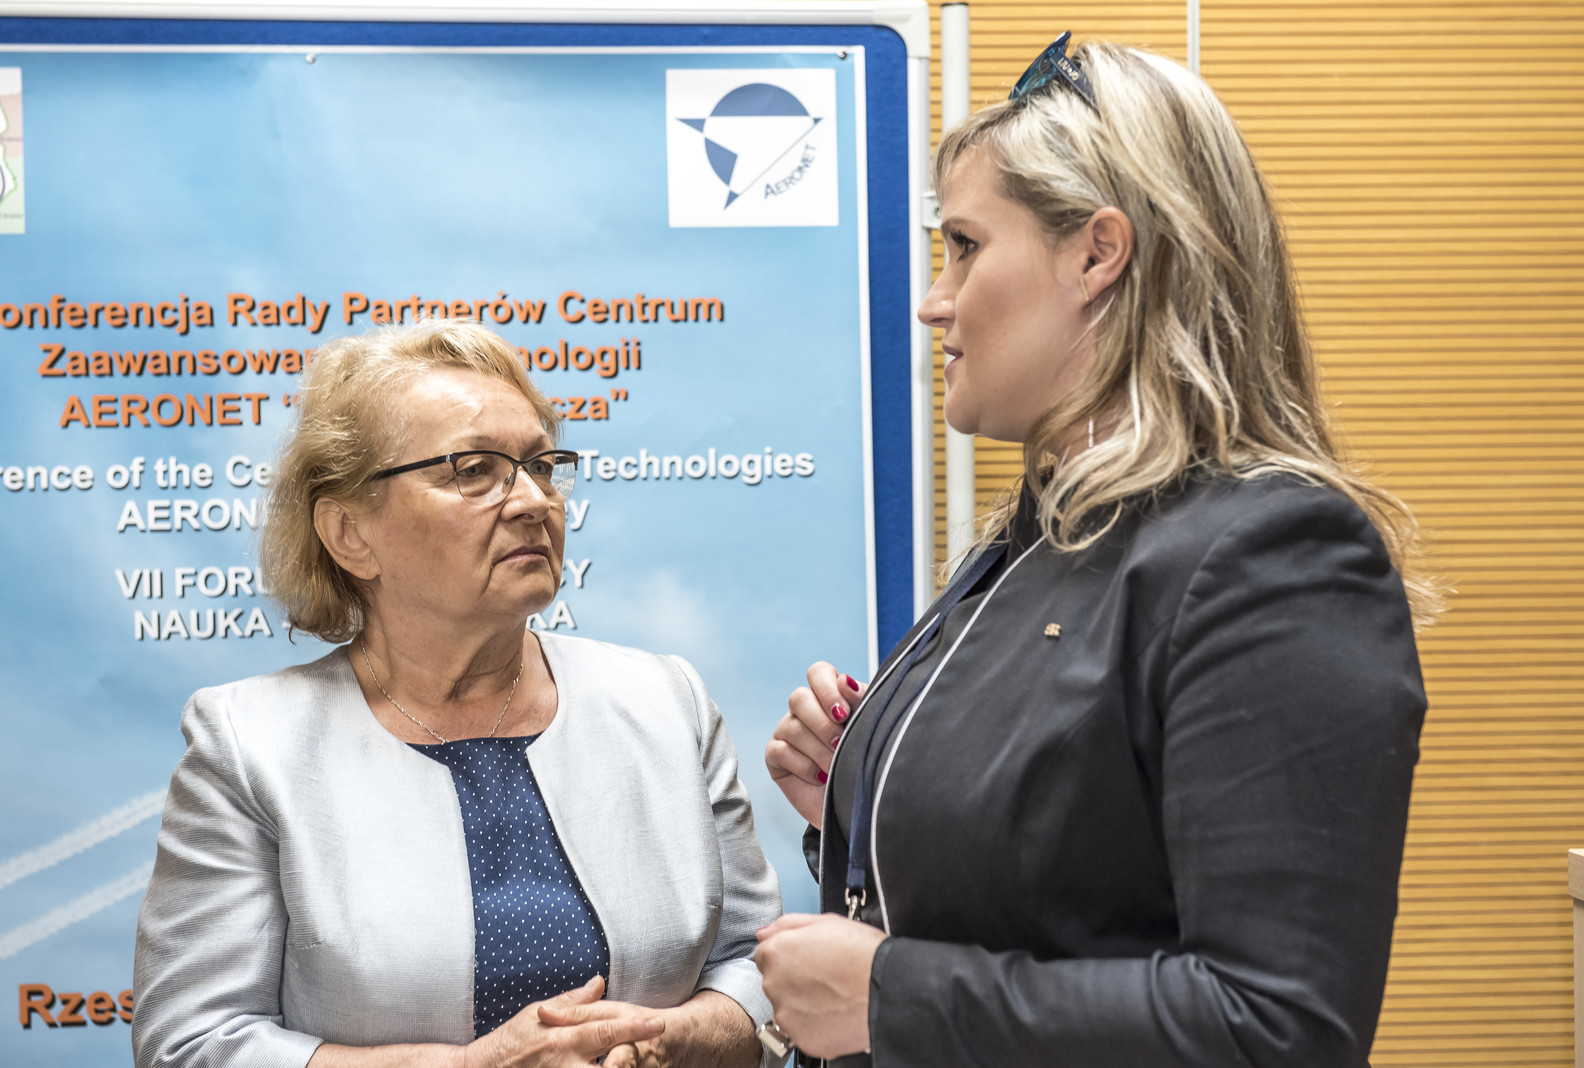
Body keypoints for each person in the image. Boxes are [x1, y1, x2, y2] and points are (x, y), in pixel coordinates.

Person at [756, 35, 1438, 1068]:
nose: (934, 299)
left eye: (965, 246)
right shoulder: (1040, 534)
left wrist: (891, 997)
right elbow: (1065, 881)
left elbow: (1274, 1029)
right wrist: (875, 794)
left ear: (1096, 254)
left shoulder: (1271, 555)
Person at [133, 319, 780, 1068]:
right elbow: (191, 1044)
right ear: (350, 533)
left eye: (543, 465)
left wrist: (673, 1041)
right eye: (474, 470)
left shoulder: (666, 703)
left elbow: (760, 968)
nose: (533, 500)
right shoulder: (251, 745)